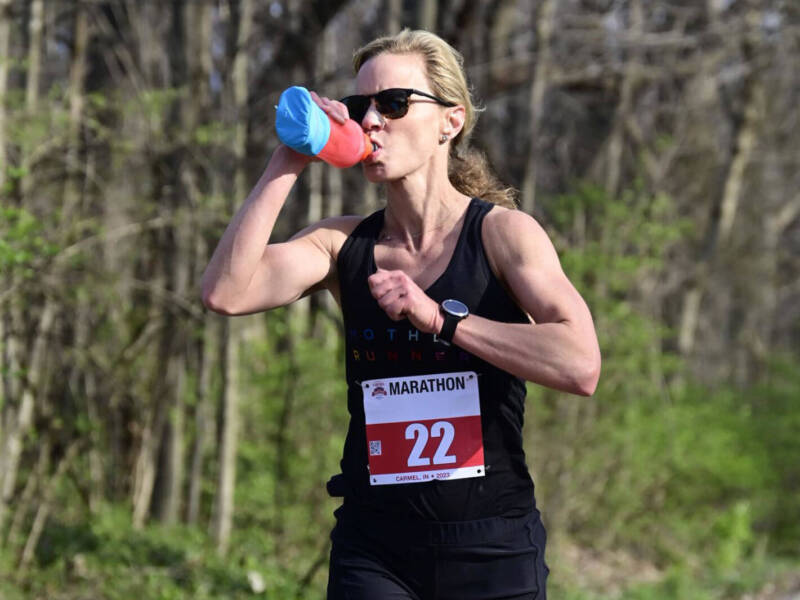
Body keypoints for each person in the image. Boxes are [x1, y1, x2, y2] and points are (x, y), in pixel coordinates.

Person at [202, 29, 600, 600]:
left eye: (393, 103)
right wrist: (289, 158)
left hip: (491, 547)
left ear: (450, 121)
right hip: (376, 549)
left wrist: (443, 320)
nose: (370, 121)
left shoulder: (503, 236)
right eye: (362, 106)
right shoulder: (341, 246)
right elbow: (225, 293)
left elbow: (581, 365)